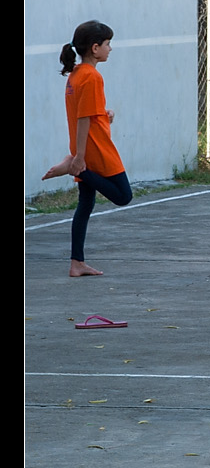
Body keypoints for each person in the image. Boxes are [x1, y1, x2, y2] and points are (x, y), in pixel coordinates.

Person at [43, 21, 133, 277]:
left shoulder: (77, 74)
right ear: (95, 48)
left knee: (85, 204)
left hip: (83, 146)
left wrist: (105, 114)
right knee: (123, 196)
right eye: (107, 44)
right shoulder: (92, 77)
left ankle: (77, 263)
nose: (110, 49)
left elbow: (88, 112)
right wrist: (79, 160)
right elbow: (83, 118)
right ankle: (74, 167)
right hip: (95, 149)